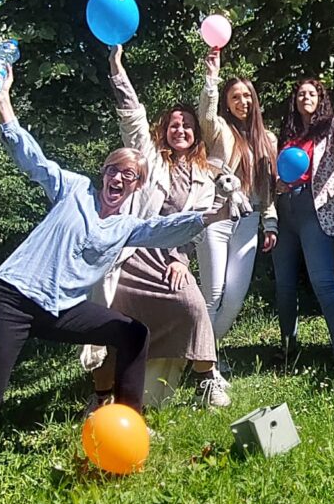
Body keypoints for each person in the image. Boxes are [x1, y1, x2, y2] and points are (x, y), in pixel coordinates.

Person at [0, 70, 230, 478]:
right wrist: (3, 102)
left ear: (137, 186)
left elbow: (165, 228)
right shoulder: (74, 189)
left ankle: (130, 422)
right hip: (11, 299)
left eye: (129, 175)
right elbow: (33, 160)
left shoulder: (125, 227)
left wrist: (212, 216)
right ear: (104, 172)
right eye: (114, 170)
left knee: (132, 334)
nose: (119, 178)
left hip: (60, 308)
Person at [85, 45, 228, 410]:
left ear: (196, 134)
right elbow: (132, 116)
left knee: (192, 305)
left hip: (167, 258)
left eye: (187, 125)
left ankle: (207, 380)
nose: (181, 130)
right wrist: (116, 67)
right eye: (174, 125)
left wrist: (181, 259)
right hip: (129, 255)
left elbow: (195, 226)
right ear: (164, 131)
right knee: (109, 324)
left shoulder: (204, 175)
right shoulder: (149, 160)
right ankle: (101, 397)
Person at [272, 70, 334, 370]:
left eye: (311, 93)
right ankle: (288, 349)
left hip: (316, 209)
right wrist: (277, 182)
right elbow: (278, 168)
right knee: (284, 284)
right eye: (301, 94)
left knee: (322, 281)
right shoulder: (287, 133)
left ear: (320, 98)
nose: (306, 98)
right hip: (284, 210)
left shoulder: (333, 125)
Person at [197, 48, 278, 342]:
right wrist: (212, 78)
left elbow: (267, 188)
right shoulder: (220, 129)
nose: (242, 102)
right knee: (213, 294)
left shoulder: (268, 139)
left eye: (247, 96)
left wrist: (270, 223)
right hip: (217, 216)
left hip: (249, 221)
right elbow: (206, 116)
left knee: (234, 298)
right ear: (227, 104)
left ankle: (206, 353)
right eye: (235, 97)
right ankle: (203, 359)